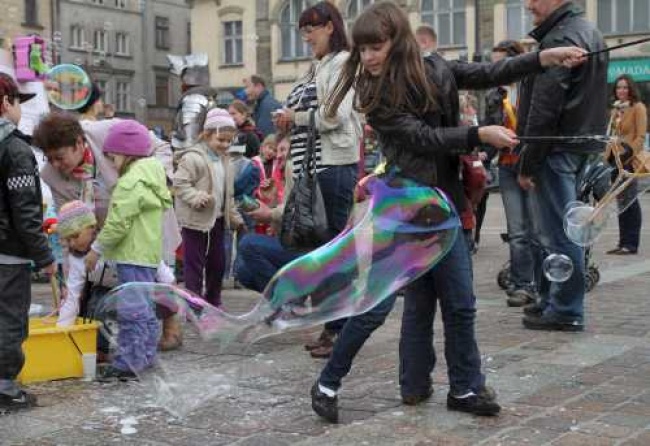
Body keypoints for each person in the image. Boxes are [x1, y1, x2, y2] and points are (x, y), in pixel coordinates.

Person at [311, 1, 587, 422]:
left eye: (375, 47)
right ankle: (328, 382)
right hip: (405, 207)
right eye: (362, 49)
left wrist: (543, 58)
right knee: (377, 307)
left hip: (445, 203)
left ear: (398, 41)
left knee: (458, 302)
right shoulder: (376, 96)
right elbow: (423, 138)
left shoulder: (433, 68)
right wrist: (479, 134)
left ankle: (462, 387)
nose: (367, 57)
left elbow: (488, 72)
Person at [237, 1, 362, 359]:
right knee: (311, 250)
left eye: (311, 29)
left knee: (331, 251)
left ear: (330, 27)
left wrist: (295, 117)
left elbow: (334, 116)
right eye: (303, 31)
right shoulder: (316, 67)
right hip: (311, 169)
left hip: (333, 167)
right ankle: (320, 317)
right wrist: (285, 126)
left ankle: (338, 330)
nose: (306, 37)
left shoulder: (343, 62)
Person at [33, 113, 183, 351]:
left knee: (156, 271)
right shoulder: (51, 175)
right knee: (124, 286)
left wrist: (153, 182)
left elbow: (160, 147)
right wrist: (68, 276)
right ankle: (134, 335)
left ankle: (169, 323)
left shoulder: (110, 132)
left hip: (143, 217)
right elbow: (69, 225)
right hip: (105, 230)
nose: (55, 165)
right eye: (49, 159)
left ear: (79, 143)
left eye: (59, 157)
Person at [517, 0, 608, 332]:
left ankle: (566, 309)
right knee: (563, 229)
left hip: (556, 147)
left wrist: (527, 162)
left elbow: (544, 109)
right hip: (580, 145)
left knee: (559, 232)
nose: (528, 5)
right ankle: (553, 300)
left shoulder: (559, 38)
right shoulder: (590, 31)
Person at [83, 120, 172, 380]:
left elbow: (117, 224)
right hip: (147, 256)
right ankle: (144, 355)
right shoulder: (152, 176)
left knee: (131, 311)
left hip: (132, 256)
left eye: (112, 157)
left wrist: (96, 249)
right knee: (145, 309)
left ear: (126, 153)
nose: (111, 163)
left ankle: (128, 363)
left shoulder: (130, 182)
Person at [0, 73, 54, 412]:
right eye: (18, 101)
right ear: (7, 103)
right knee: (9, 319)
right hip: (9, 253)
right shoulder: (15, 149)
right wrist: (44, 255)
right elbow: (25, 212)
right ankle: (5, 388)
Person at [485, 40, 539, 307]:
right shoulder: (495, 95)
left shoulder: (533, 86)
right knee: (517, 231)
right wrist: (483, 155)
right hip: (507, 166)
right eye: (493, 64)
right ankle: (522, 284)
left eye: (501, 63)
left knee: (537, 229)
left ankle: (542, 283)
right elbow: (489, 128)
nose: (496, 69)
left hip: (532, 164)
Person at [173, 108, 244, 307]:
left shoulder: (226, 160)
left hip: (217, 220)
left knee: (218, 263)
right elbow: (179, 184)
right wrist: (195, 197)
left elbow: (227, 194)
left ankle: (213, 300)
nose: (225, 145)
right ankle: (193, 304)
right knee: (194, 264)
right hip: (195, 221)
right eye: (221, 140)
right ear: (206, 135)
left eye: (229, 141)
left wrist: (234, 217)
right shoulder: (193, 158)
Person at [604, 74, 647, 256]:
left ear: (631, 89)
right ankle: (622, 242)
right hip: (615, 160)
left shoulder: (638, 107)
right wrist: (607, 157)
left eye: (625, 87)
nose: (621, 90)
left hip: (629, 160)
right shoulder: (616, 109)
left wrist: (628, 152)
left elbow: (641, 136)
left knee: (630, 201)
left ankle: (631, 243)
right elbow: (612, 135)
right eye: (618, 87)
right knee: (621, 201)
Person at [168, 53, 219, 152]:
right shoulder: (206, 98)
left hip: (194, 155)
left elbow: (189, 140)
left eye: (182, 76)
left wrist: (173, 137)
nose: (181, 81)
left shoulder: (193, 100)